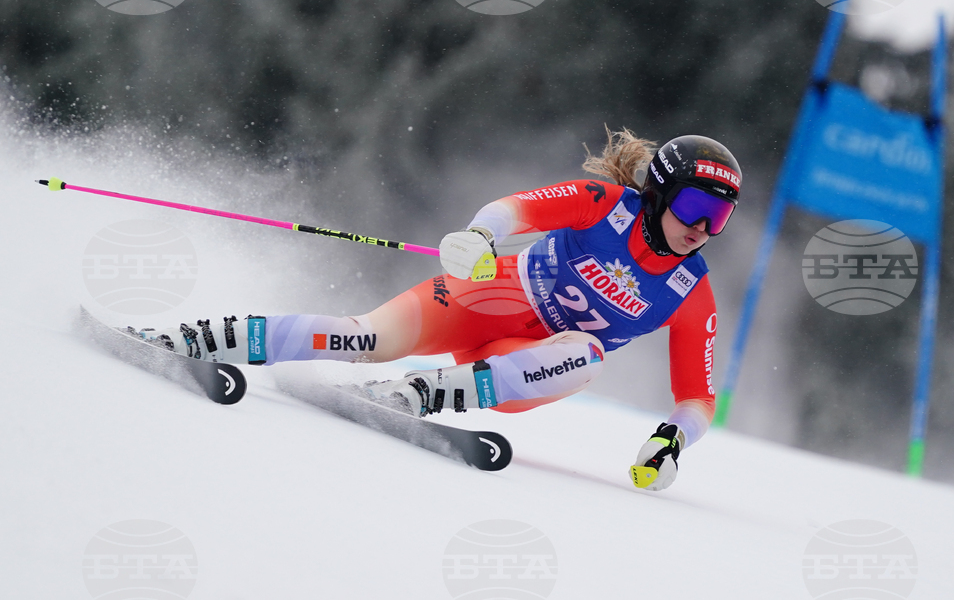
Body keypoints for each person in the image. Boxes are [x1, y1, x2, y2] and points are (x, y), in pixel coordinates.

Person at [138, 129, 742, 491]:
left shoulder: (692, 289)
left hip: (521, 366)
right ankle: (200, 337)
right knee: (363, 335)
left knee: (586, 356)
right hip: (487, 300)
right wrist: (480, 237)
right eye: (694, 207)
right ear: (659, 191)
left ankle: (420, 394)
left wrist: (672, 439)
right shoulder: (605, 204)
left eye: (718, 218)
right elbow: (516, 209)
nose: (701, 229)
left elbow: (699, 399)